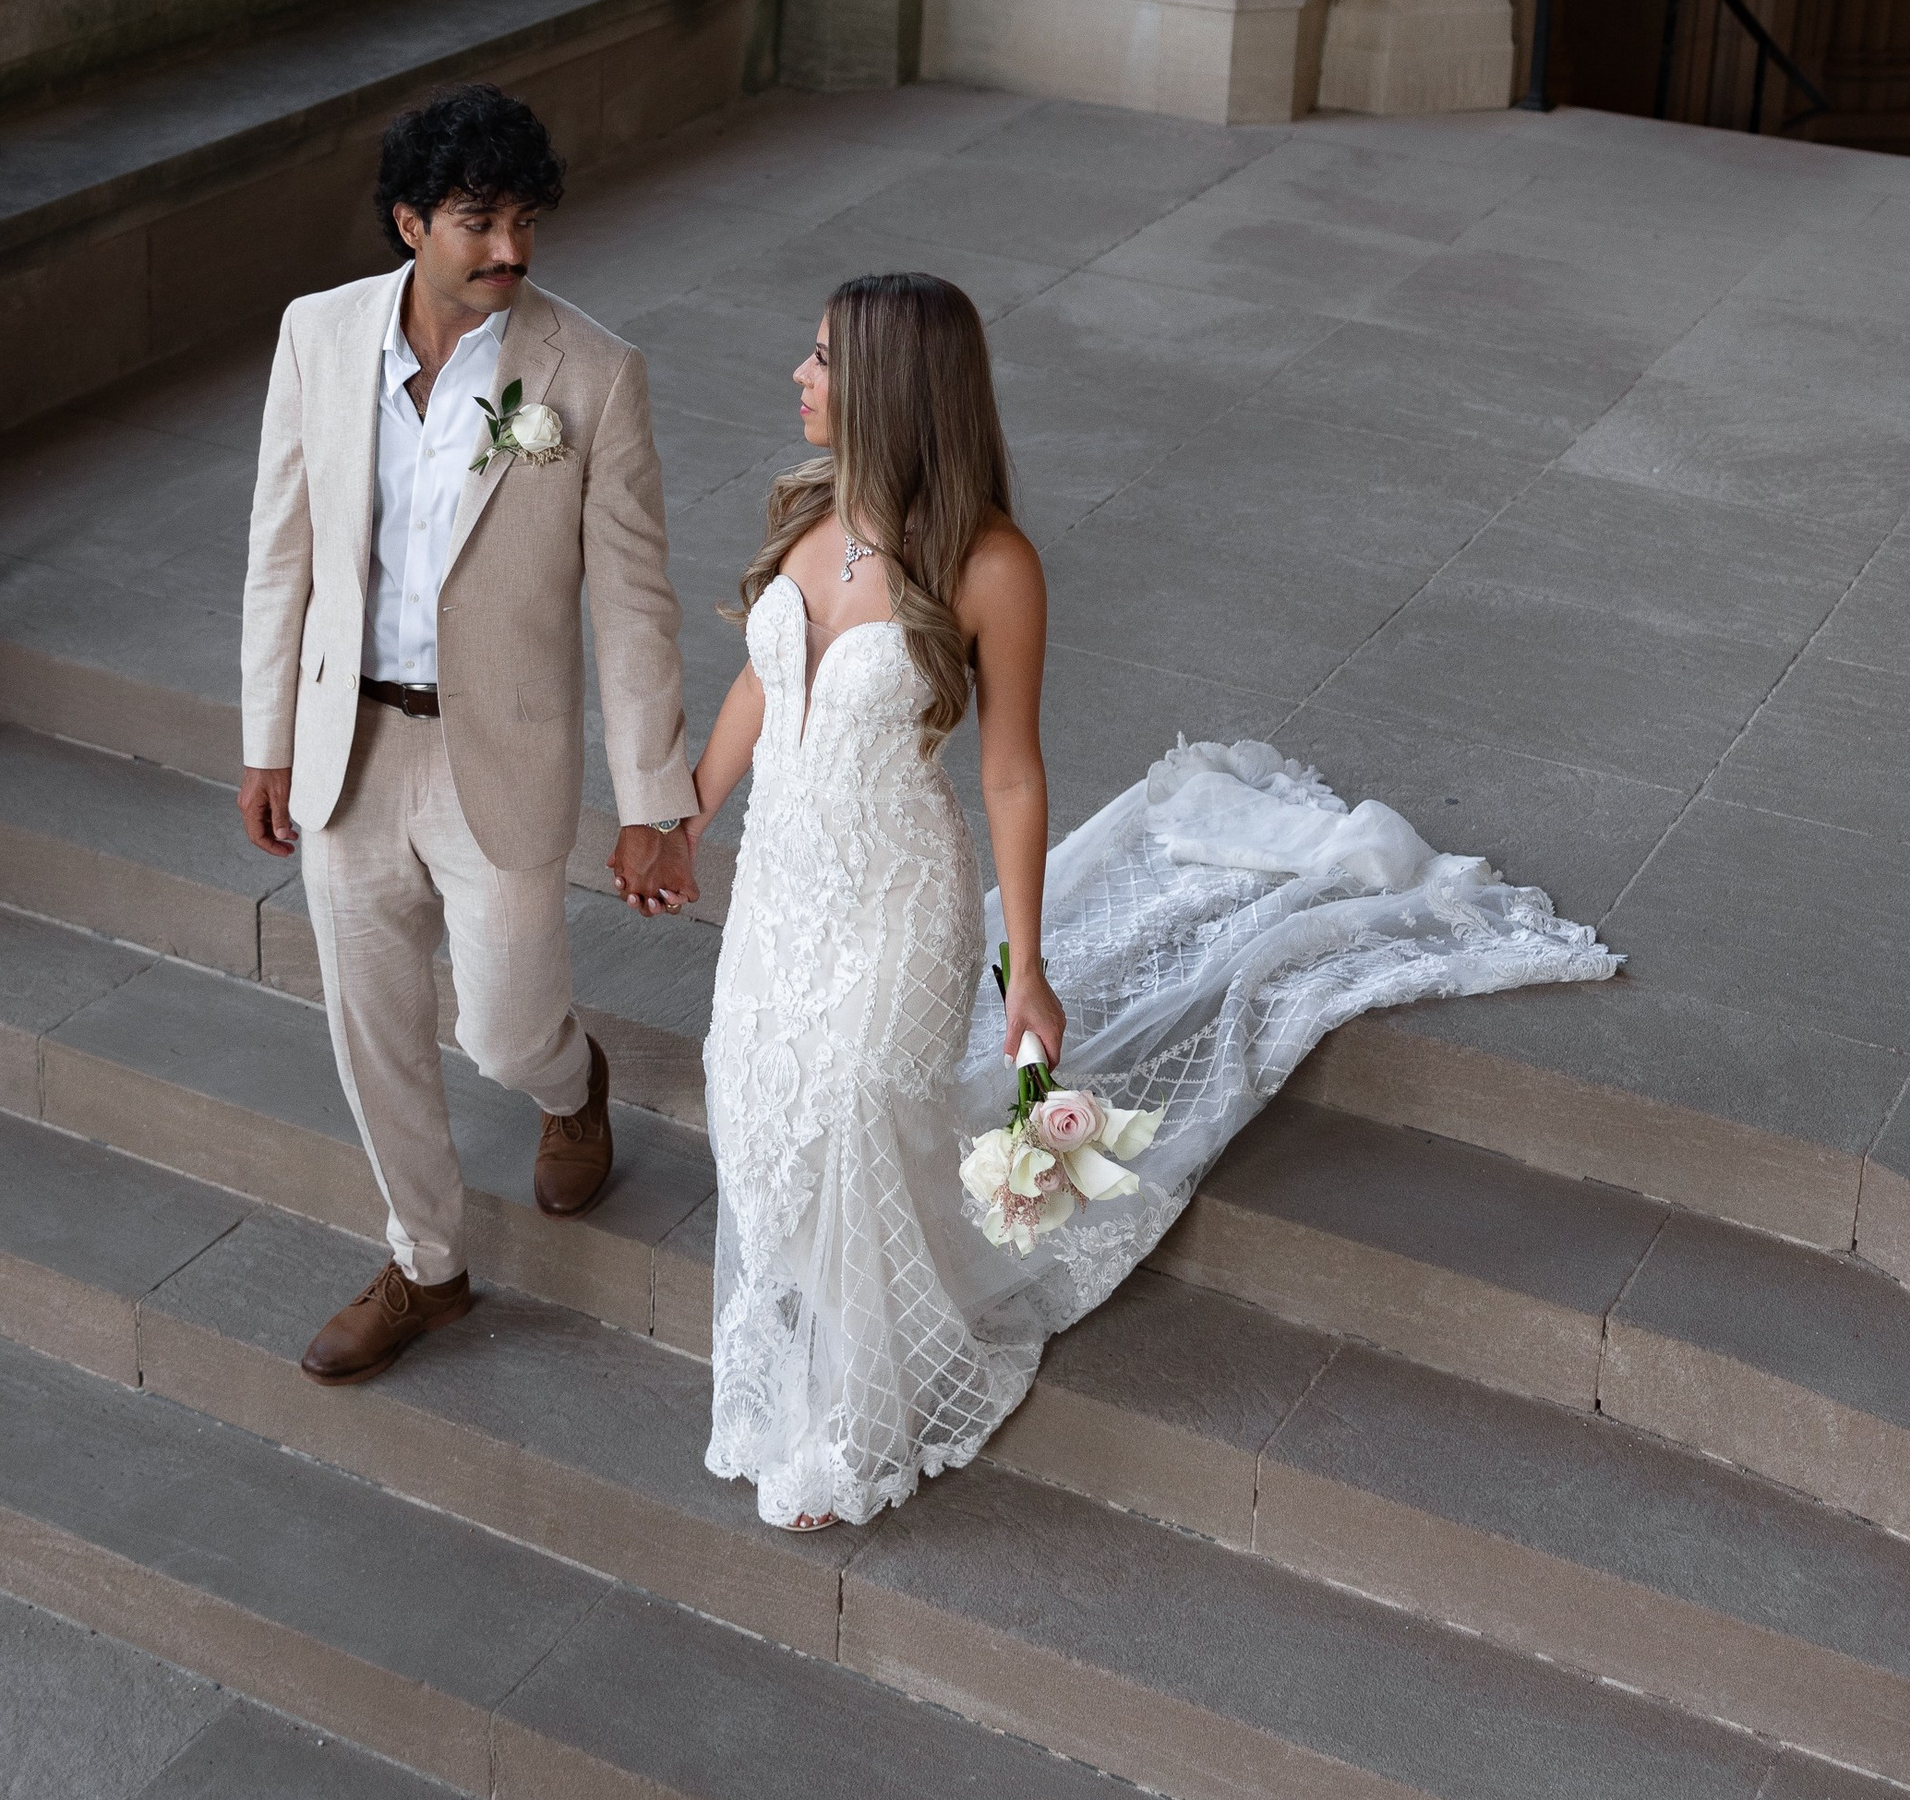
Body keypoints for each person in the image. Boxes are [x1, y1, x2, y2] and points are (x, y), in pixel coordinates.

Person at [677, 272, 1615, 1530]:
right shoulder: (801, 515)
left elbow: (1010, 771)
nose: (798, 376)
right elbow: (753, 684)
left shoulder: (991, 565)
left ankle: (860, 1416)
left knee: (852, 1115)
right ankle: (827, 1333)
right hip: (781, 896)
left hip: (898, 900)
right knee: (756, 1102)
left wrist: (1025, 967)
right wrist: (680, 812)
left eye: (823, 359)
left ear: (891, 387)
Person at [239, 83, 700, 1384]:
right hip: (350, 750)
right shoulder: (318, 339)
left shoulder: (588, 375)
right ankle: (425, 1267)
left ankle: (571, 1082)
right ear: (408, 222)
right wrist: (268, 734)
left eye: (525, 222)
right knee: (370, 1024)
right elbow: (282, 552)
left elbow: (632, 600)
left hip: (497, 754)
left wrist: (653, 795)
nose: (511, 250)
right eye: (478, 222)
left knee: (498, 1028)